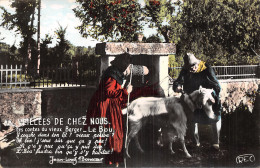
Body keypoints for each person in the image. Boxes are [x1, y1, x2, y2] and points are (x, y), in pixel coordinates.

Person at [86, 53, 133, 167]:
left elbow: (115, 92)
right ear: (123, 64)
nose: (129, 68)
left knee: (114, 134)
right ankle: (110, 162)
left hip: (111, 106)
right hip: (105, 107)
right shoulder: (112, 75)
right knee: (112, 134)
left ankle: (114, 161)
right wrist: (126, 91)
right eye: (128, 66)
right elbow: (108, 92)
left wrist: (124, 97)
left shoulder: (116, 73)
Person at [173, 52, 222, 148]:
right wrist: (177, 87)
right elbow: (178, 81)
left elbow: (216, 84)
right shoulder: (185, 70)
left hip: (207, 96)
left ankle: (215, 142)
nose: (191, 69)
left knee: (214, 117)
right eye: (189, 68)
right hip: (192, 97)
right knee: (192, 119)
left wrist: (214, 96)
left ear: (197, 64)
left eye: (193, 67)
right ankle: (196, 143)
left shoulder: (206, 68)